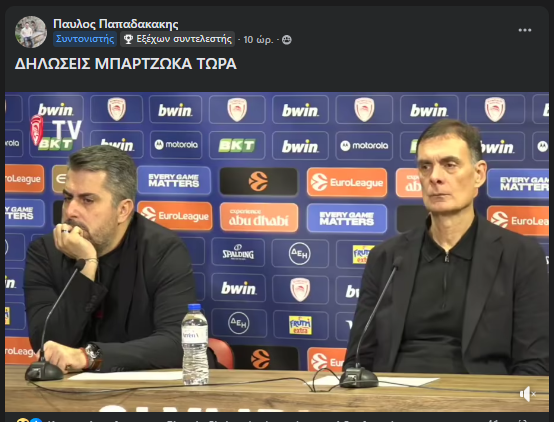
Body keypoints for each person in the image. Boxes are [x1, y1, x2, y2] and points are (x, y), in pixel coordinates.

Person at [343, 119, 549, 376]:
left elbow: (534, 365)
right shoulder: (386, 258)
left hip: (481, 395)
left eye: (450, 165)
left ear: (479, 174)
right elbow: (358, 361)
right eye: (425, 166)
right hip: (396, 394)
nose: (435, 177)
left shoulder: (520, 256)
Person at [24, 145, 223, 373]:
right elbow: (46, 345)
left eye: (87, 200)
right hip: (71, 391)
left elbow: (179, 342)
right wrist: (87, 265)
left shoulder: (162, 250)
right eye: (68, 198)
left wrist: (89, 356)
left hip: (149, 388)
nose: (70, 211)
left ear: (123, 210)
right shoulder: (44, 252)